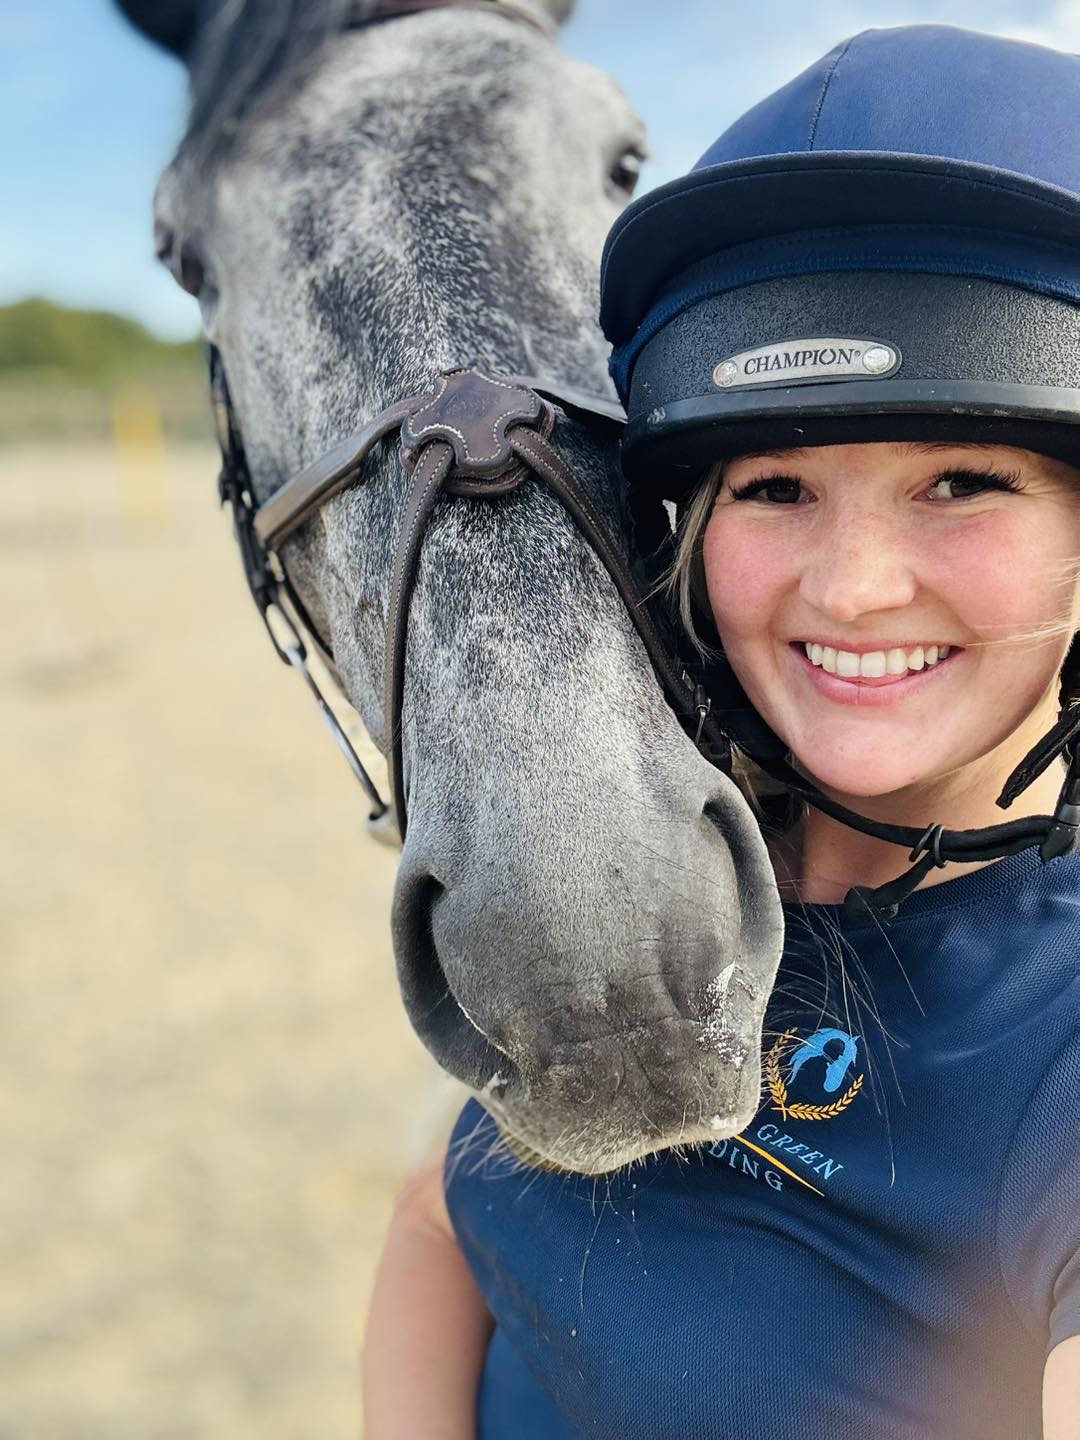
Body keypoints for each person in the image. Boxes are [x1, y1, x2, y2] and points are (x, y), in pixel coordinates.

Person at [363, 25, 1080, 1439]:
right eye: (775, 489)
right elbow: (446, 1215)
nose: (854, 586)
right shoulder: (658, 883)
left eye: (963, 479)